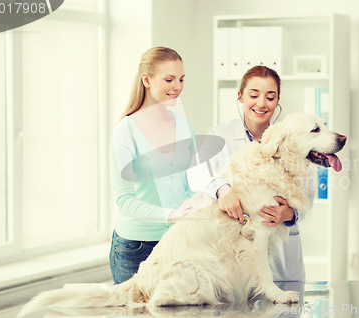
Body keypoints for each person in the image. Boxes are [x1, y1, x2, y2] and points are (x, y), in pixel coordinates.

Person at [188, 65, 315, 281]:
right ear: (240, 96)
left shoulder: (293, 137)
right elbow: (196, 171)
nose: (261, 103)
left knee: (286, 308)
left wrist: (290, 214)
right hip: (233, 248)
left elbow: (307, 191)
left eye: (270, 97)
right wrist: (222, 189)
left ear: (277, 101)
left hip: (280, 254)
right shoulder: (220, 135)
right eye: (253, 95)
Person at [109, 47, 197, 284]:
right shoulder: (125, 131)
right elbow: (124, 201)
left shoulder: (185, 126)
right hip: (135, 247)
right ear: (146, 80)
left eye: (181, 79)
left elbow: (194, 184)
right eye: (169, 79)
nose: (177, 86)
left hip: (179, 242)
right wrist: (172, 214)